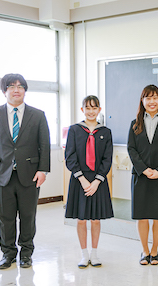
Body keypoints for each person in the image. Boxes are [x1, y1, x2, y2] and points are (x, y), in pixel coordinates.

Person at [0, 73, 50, 269]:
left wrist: (43, 169)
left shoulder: (38, 115)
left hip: (30, 174)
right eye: (12, 86)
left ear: (25, 90)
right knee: (5, 217)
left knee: (28, 216)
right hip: (2, 175)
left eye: (20, 86)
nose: (17, 89)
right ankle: (8, 253)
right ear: (5, 91)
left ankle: (26, 253)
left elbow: (44, 144)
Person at [127, 84, 158, 265]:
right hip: (140, 176)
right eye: (148, 98)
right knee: (142, 215)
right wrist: (143, 169)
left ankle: (155, 251)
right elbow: (131, 149)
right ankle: (144, 251)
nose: (152, 101)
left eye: (155, 97)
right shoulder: (135, 124)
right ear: (143, 101)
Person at [65, 95, 114, 268]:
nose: (91, 111)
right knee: (81, 220)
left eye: (95, 108)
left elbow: (107, 159)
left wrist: (96, 181)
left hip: (98, 181)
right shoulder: (74, 130)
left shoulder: (105, 132)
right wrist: (84, 180)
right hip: (80, 180)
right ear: (82, 110)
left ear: (99, 110)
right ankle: (83, 254)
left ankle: (94, 253)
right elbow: (69, 157)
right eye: (88, 108)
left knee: (95, 220)